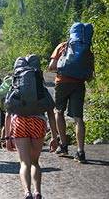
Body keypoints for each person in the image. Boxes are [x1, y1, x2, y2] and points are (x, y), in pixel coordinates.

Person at [5, 55, 58, 199]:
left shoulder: (15, 84)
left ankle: (27, 192)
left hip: (20, 122)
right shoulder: (41, 87)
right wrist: (54, 136)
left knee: (24, 163)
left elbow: (8, 113)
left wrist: (7, 136)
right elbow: (51, 113)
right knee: (35, 162)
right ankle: (38, 192)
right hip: (38, 122)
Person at [48, 23, 94, 163]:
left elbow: (51, 67)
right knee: (78, 118)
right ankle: (80, 151)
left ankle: (63, 146)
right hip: (78, 85)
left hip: (62, 83)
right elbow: (90, 76)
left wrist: (63, 68)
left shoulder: (63, 46)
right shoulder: (87, 50)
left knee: (59, 111)